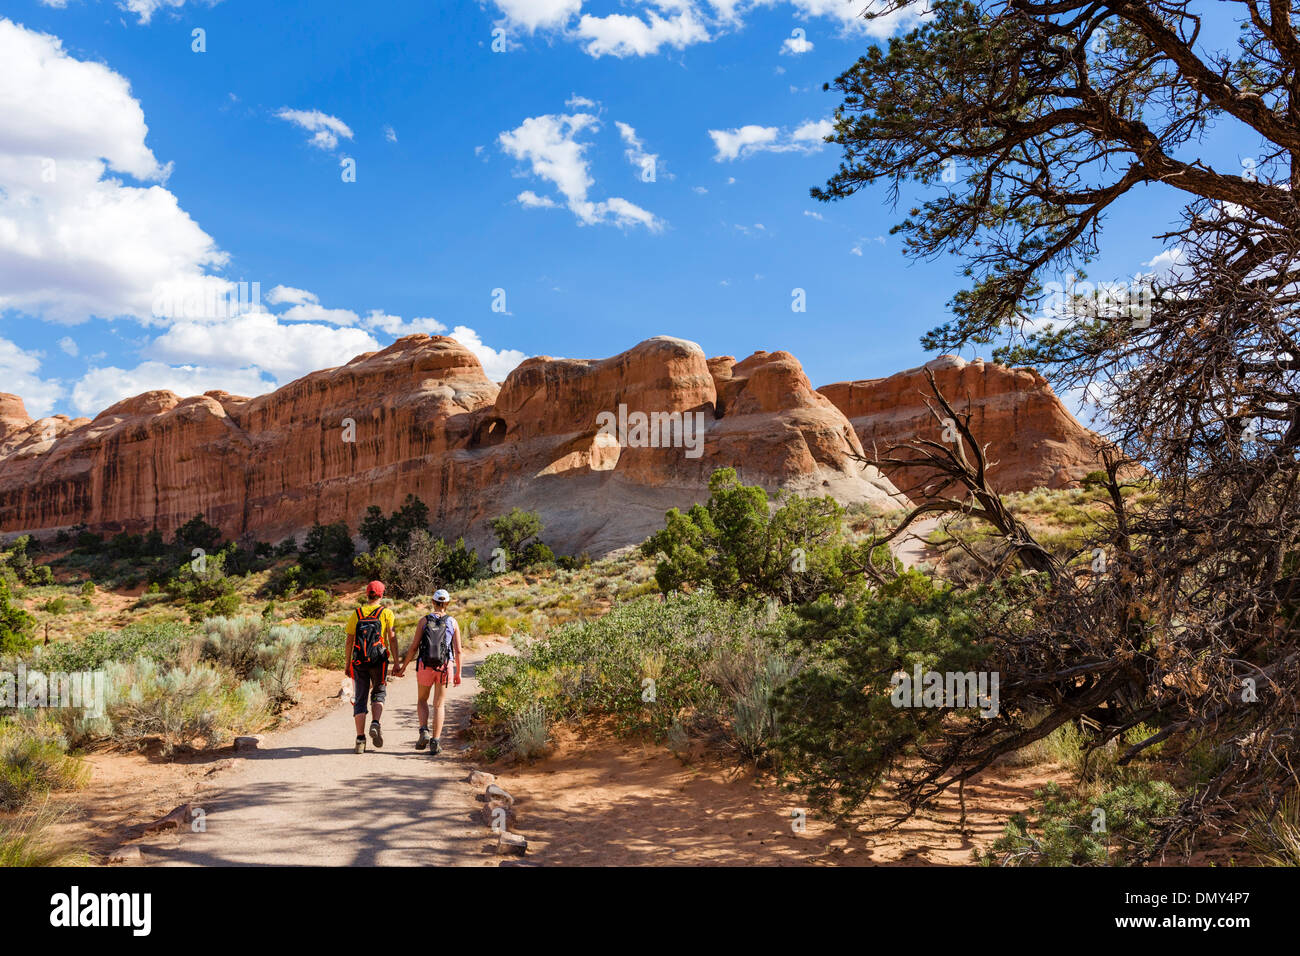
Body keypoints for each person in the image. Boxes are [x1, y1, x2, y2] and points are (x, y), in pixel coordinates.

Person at [394, 588, 461, 754]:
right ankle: (435, 742)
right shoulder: (453, 622)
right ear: (447, 604)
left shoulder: (423, 621)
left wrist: (403, 668)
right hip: (445, 666)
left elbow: (414, 647)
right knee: (439, 704)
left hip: (425, 665)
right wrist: (458, 672)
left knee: (422, 700)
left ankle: (424, 730)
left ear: (433, 602)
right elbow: (458, 650)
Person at [344, 580, 397, 754]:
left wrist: (347, 663)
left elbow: (350, 640)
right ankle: (375, 722)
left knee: (360, 698)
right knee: (379, 692)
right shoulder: (386, 613)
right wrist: (396, 661)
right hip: (379, 661)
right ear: (381, 595)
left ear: (367, 594)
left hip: (359, 662)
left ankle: (360, 740)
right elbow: (392, 638)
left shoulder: (357, 613)